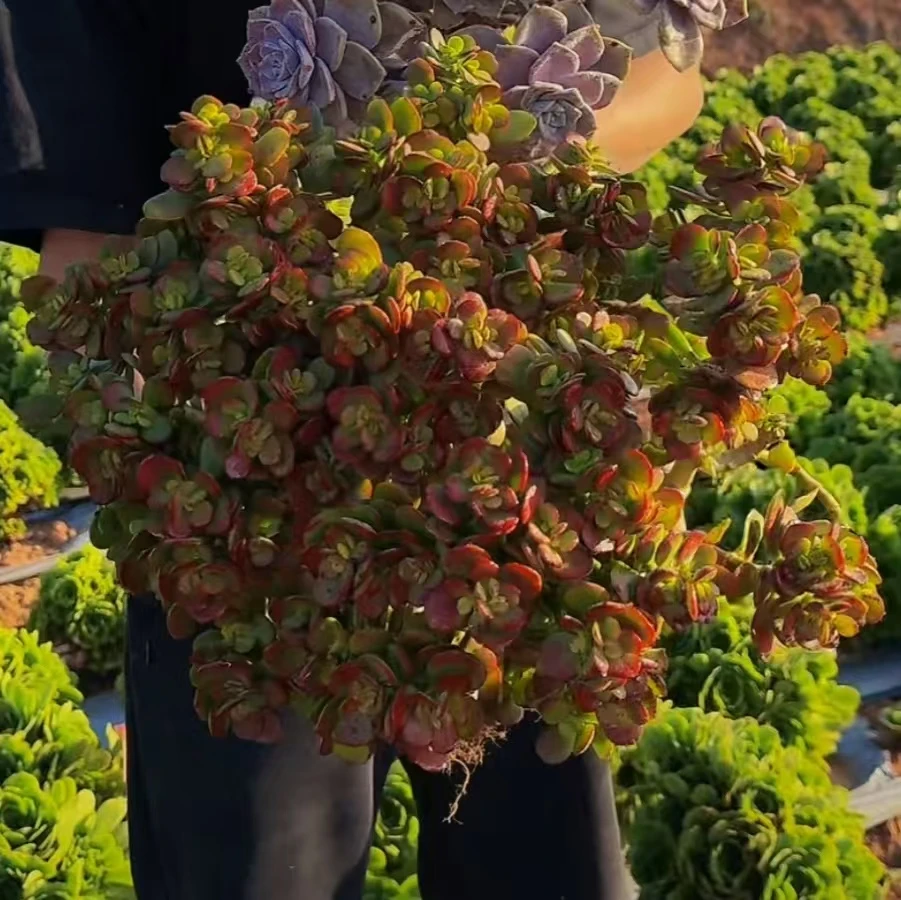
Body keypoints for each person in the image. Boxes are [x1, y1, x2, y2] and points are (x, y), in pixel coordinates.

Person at [0, 2, 704, 898]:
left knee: (537, 853)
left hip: (516, 451)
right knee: (263, 857)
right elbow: (80, 234)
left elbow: (667, 77)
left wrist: (466, 186)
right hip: (249, 490)